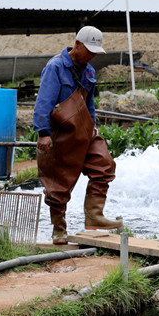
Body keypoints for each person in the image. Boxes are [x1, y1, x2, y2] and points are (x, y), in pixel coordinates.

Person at [33, 26, 121, 245]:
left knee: (104, 165)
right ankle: (59, 229)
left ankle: (94, 216)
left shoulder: (89, 71)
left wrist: (92, 127)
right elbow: (43, 102)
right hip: (59, 134)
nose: (91, 55)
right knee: (58, 184)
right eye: (89, 50)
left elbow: (88, 104)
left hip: (84, 131)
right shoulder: (55, 67)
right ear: (77, 44)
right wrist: (43, 133)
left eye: (95, 52)